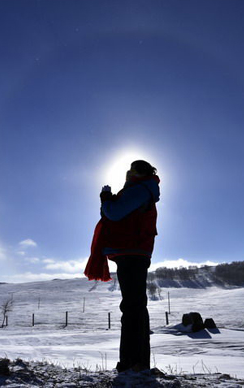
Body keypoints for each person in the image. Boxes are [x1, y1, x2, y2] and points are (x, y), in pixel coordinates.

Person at [84, 159, 160, 373]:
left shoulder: (140, 190)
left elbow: (114, 213)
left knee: (132, 307)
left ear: (140, 173)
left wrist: (106, 199)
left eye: (133, 170)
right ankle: (136, 362)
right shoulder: (143, 189)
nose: (129, 173)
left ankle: (132, 362)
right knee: (134, 306)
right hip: (133, 252)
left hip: (132, 252)